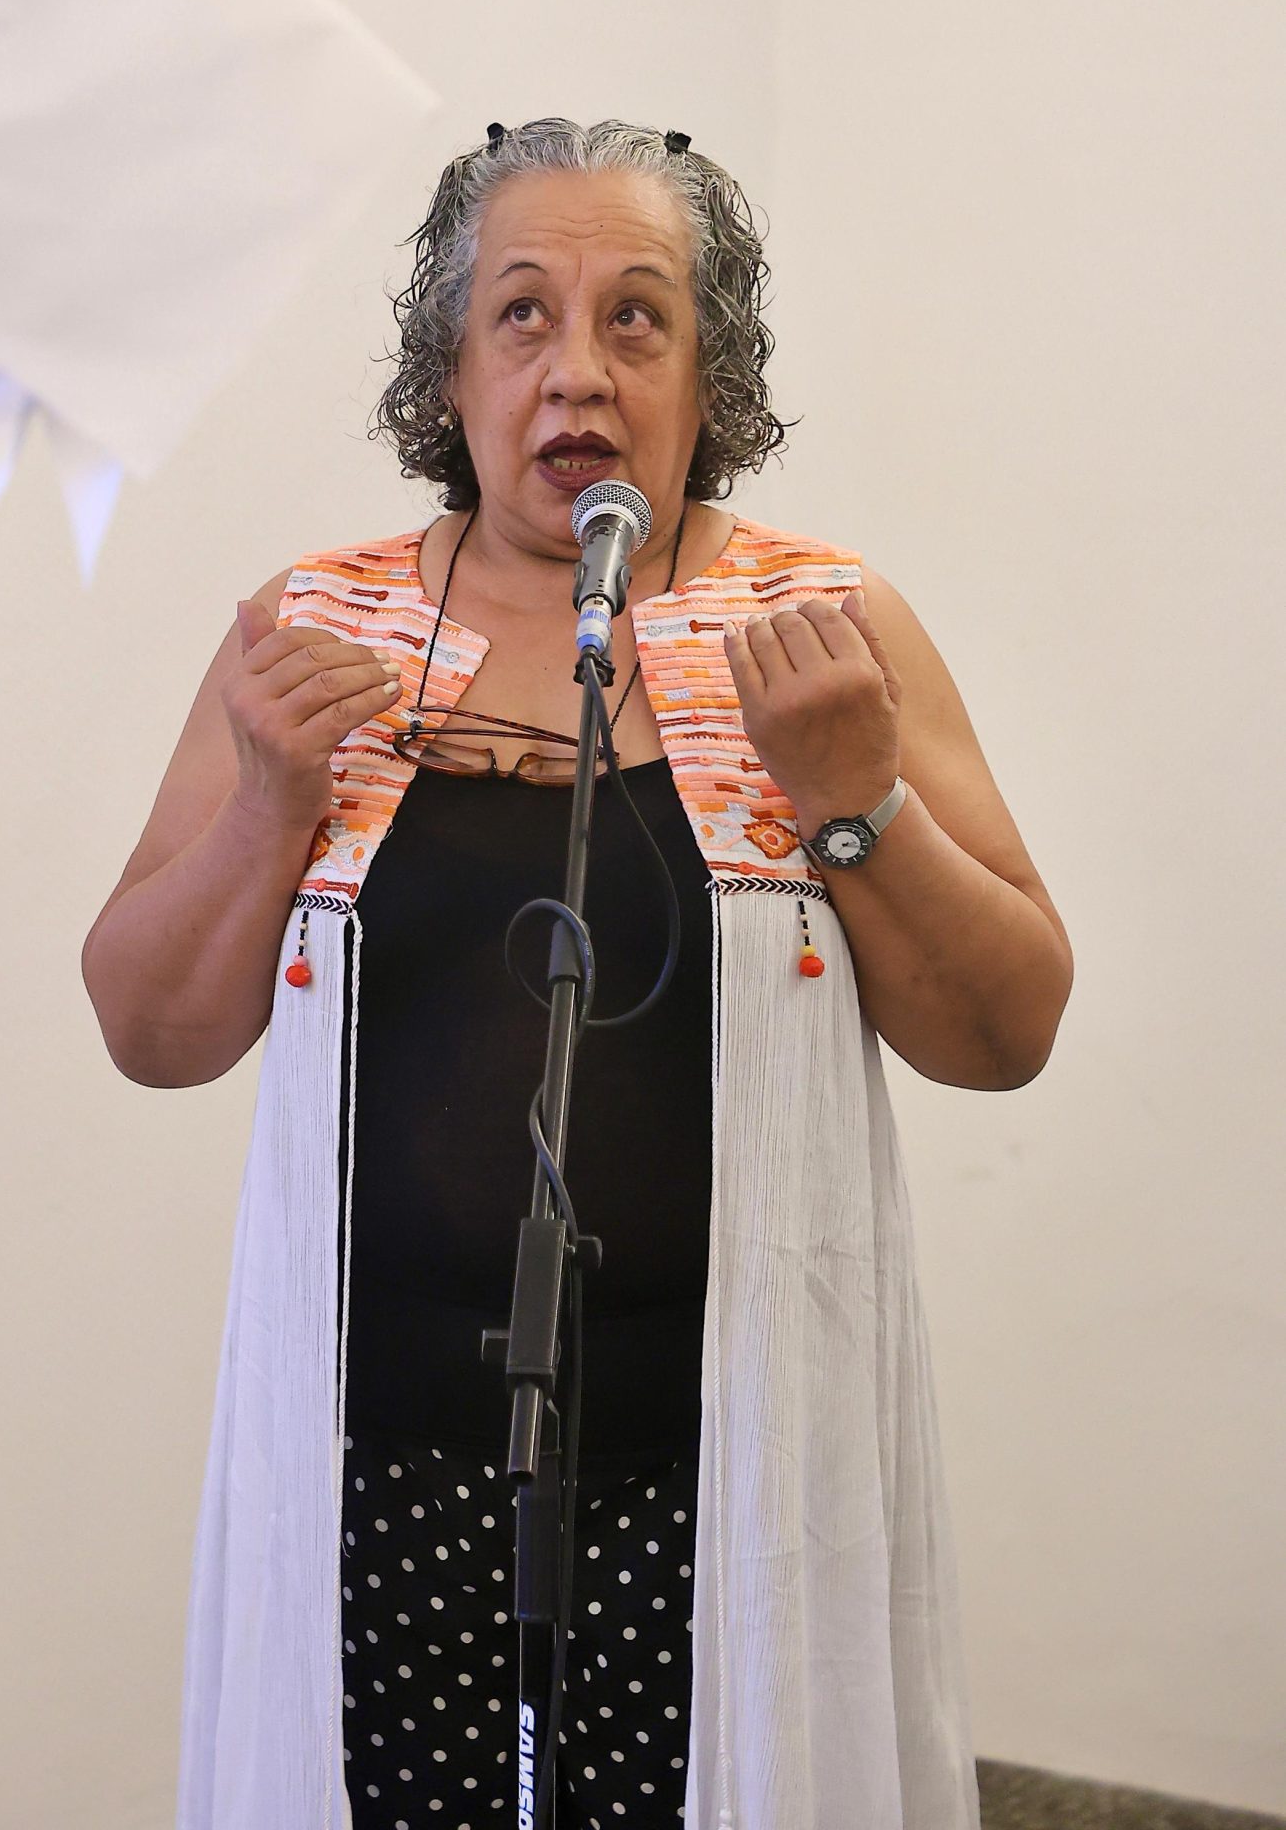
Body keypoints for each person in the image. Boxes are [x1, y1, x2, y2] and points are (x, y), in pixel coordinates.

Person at [81, 117, 1074, 1830]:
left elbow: (1004, 1033)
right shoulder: (314, 632)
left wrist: (855, 803)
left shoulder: (822, 629)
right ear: (451, 374)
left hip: (728, 1470)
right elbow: (149, 1029)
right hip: (378, 1464)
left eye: (637, 317)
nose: (578, 369)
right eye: (522, 313)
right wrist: (267, 804)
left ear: (707, 376)